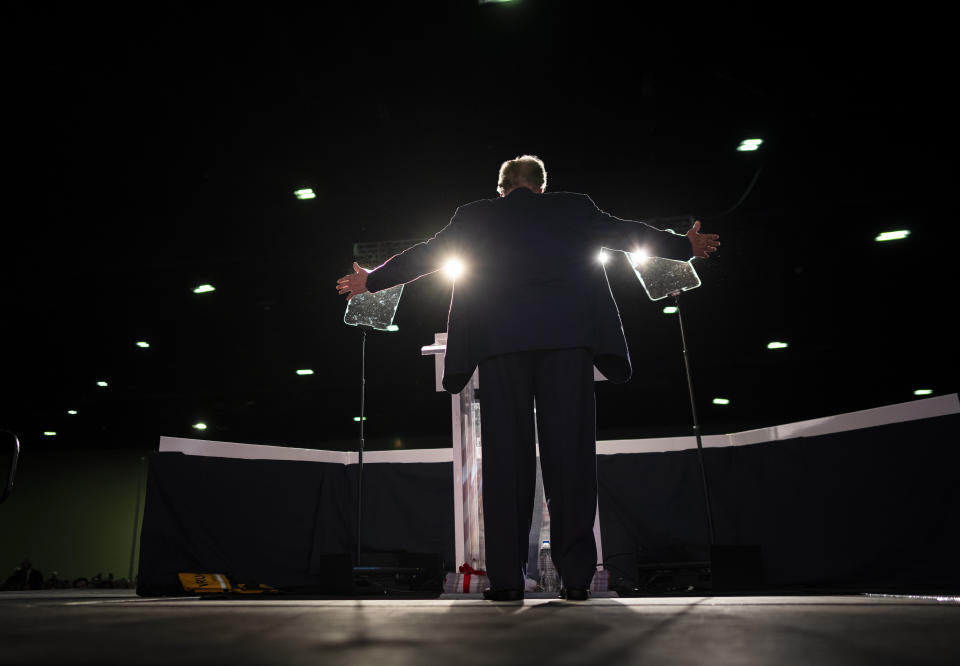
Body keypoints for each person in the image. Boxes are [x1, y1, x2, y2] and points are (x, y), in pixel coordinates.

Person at [337, 155, 719, 601]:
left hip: (500, 346)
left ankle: (506, 581)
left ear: (501, 188)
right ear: (541, 186)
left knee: (505, 464)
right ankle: (576, 581)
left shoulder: (475, 214)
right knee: (572, 458)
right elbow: (626, 233)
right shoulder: (574, 206)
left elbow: (427, 254)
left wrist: (374, 280)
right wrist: (683, 246)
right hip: (568, 343)